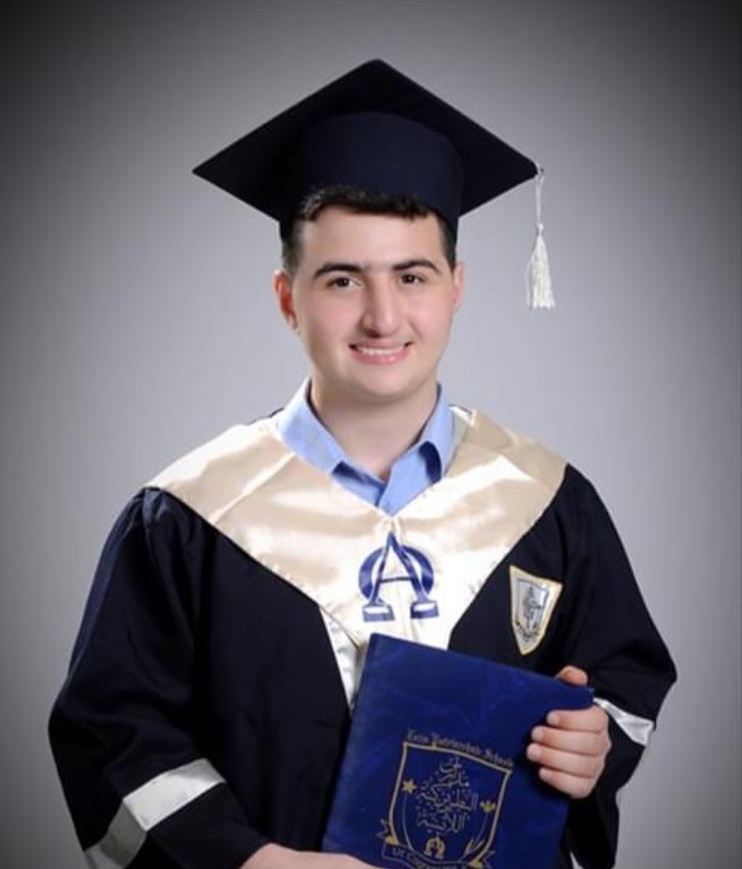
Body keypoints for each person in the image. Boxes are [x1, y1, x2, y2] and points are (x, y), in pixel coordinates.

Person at [49, 60, 676, 869]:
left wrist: (594, 742)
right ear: (289, 298)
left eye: (412, 276)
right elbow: (114, 738)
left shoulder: (547, 502)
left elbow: (624, 684)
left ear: (456, 286)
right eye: (343, 279)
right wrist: (258, 863)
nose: (383, 316)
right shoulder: (187, 519)